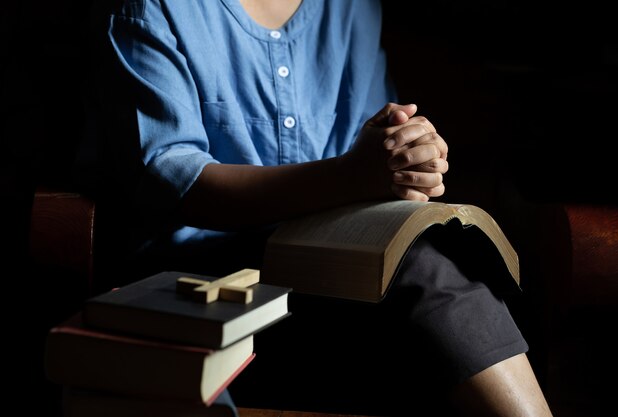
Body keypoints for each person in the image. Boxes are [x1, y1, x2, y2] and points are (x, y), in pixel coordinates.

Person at [81, 1, 554, 416]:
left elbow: (367, 162)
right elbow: (174, 181)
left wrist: (406, 162)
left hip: (324, 278)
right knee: (424, 276)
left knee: (453, 270)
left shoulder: (350, 8)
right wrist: (352, 175)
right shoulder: (152, 8)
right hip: (202, 288)